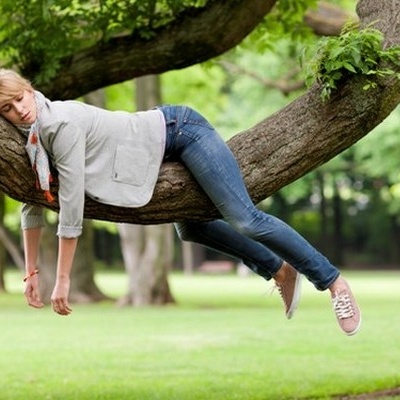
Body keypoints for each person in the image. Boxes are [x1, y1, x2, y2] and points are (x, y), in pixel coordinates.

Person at [0, 68, 361, 335]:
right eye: (9, 109)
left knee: (245, 219)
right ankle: (280, 269)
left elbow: (70, 207)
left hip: (181, 130)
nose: (20, 109)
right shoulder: (32, 142)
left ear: (30, 90)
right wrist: (32, 272)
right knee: (191, 228)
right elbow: (34, 202)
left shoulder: (57, 124)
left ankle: (333, 283)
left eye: (21, 98)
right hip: (155, 150)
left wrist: (61, 279)